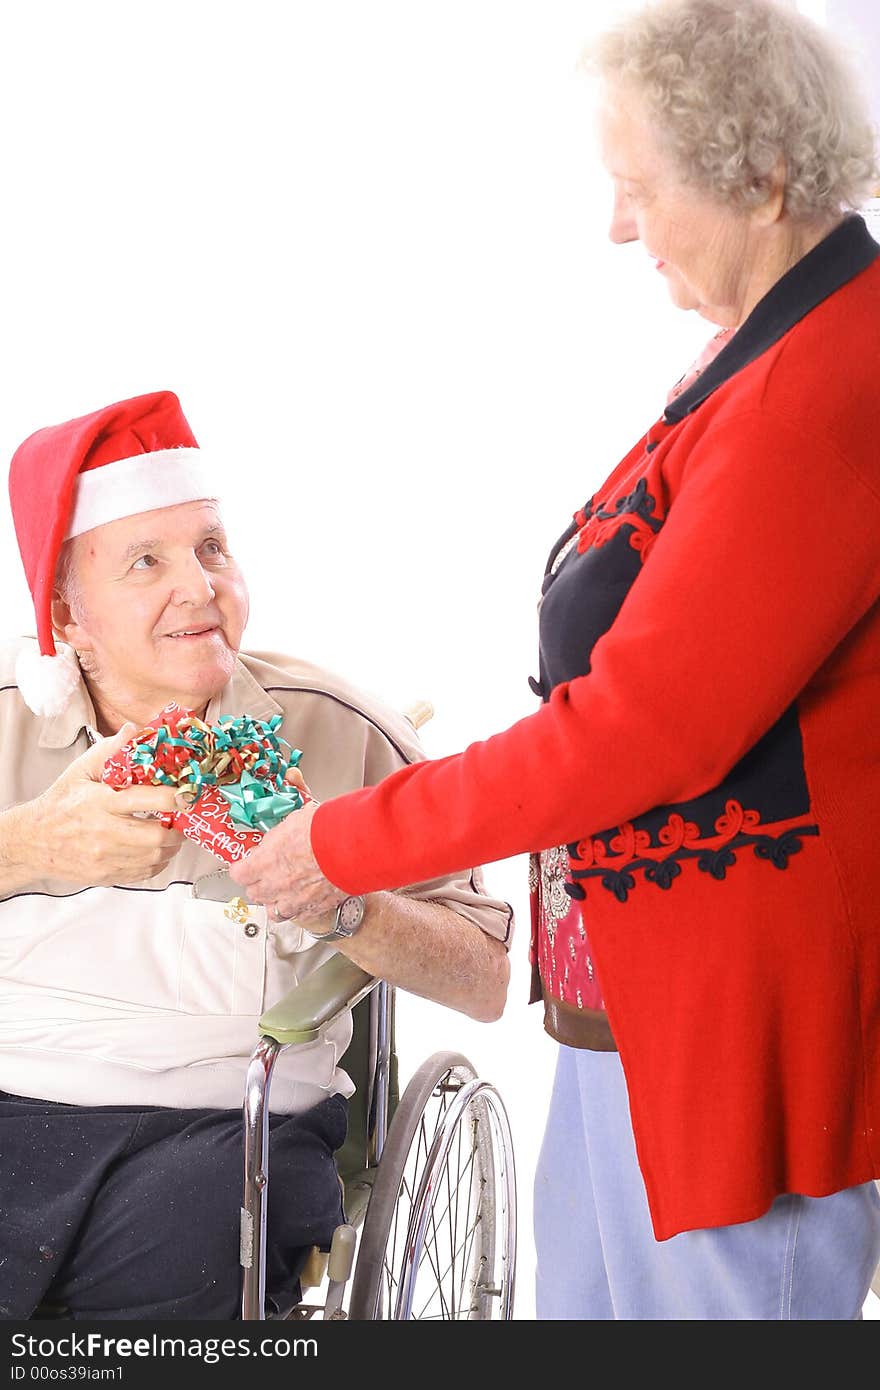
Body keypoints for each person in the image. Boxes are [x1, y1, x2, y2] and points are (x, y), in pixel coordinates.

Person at [231, 0, 880, 1320]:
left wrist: (354, 840)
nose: (618, 227)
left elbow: (641, 726)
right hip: (639, 994)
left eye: (639, 188)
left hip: (737, 1018)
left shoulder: (828, 384)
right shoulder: (761, 358)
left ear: (761, 174)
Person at [0, 388, 511, 1320]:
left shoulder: (343, 731)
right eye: (146, 562)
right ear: (67, 619)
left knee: (188, 1251)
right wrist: (27, 841)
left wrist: (343, 901)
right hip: (12, 1093)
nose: (199, 586)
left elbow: (483, 978)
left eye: (212, 548)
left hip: (229, 1119)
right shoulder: (3, 718)